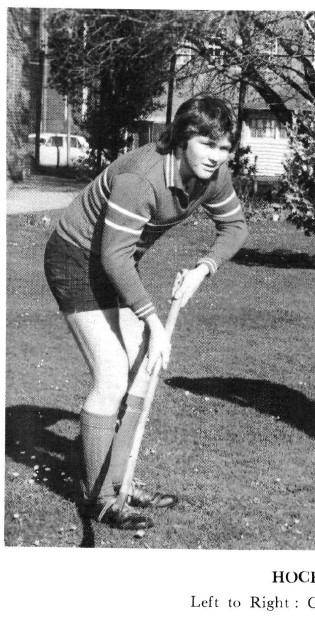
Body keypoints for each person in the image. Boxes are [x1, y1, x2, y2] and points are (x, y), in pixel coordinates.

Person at [44, 95, 249, 530]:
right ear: (181, 139)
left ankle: (120, 482)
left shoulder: (214, 176)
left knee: (142, 371)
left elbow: (235, 226)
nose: (216, 156)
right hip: (75, 259)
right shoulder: (141, 178)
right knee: (112, 376)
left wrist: (204, 267)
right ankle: (99, 499)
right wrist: (155, 324)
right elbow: (113, 257)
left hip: (116, 261)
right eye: (206, 143)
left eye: (224, 147)